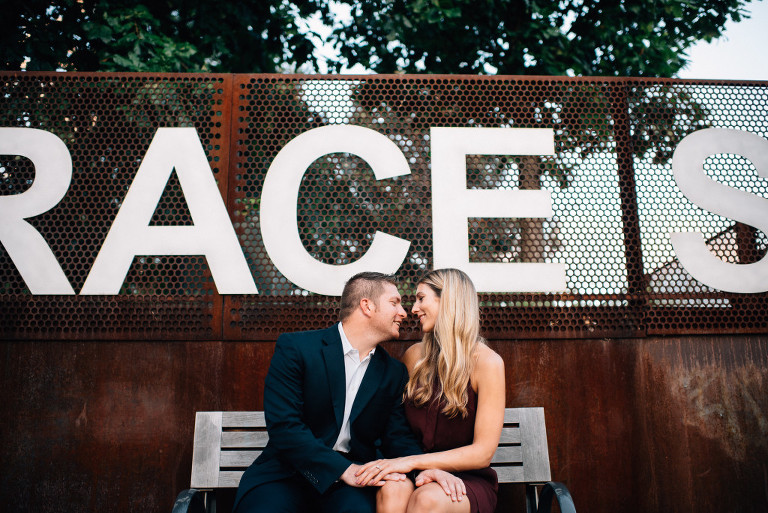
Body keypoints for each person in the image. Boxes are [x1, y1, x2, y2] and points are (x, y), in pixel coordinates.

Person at [233, 272, 426, 513]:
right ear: (367, 306)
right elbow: (285, 426)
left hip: (350, 487)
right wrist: (343, 470)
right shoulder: (297, 349)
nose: (403, 313)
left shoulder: (393, 372)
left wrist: (426, 471)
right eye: (394, 303)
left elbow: (397, 437)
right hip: (287, 474)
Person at [355, 268, 506, 513]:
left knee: (426, 500)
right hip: (413, 469)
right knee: (391, 490)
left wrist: (412, 462)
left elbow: (482, 453)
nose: (413, 309)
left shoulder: (488, 363)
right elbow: (395, 427)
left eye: (421, 298)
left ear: (448, 301)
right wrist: (415, 466)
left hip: (466, 478)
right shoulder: (414, 356)